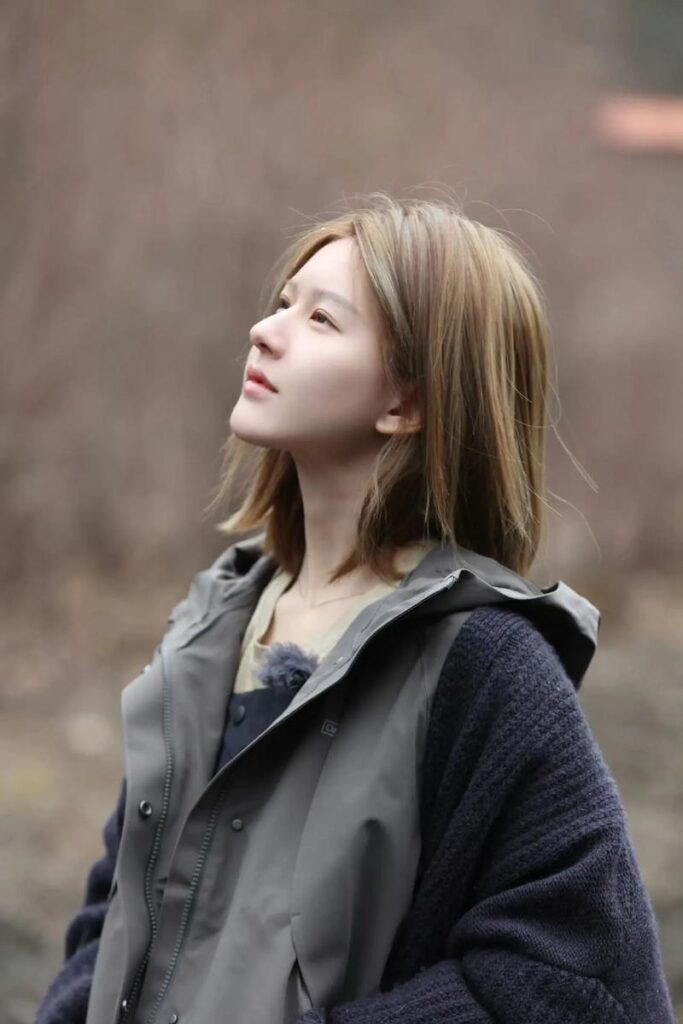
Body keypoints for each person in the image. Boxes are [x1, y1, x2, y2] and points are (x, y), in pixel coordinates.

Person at [36, 194, 674, 1024]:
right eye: (281, 304)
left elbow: (579, 984)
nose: (264, 332)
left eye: (321, 320)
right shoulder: (212, 627)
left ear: (405, 403)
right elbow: (115, 916)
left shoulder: (485, 663)